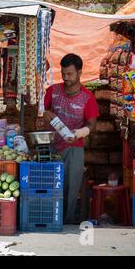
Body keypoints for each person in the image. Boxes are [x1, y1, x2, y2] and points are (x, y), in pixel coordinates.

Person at [42, 53, 99, 224]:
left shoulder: (87, 98)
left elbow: (92, 125)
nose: (66, 78)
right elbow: (40, 111)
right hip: (51, 146)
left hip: (74, 147)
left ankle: (65, 221)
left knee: (70, 187)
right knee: (49, 186)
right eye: (63, 73)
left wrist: (79, 133)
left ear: (80, 73)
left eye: (70, 74)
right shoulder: (52, 91)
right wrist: (44, 114)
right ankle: (48, 218)